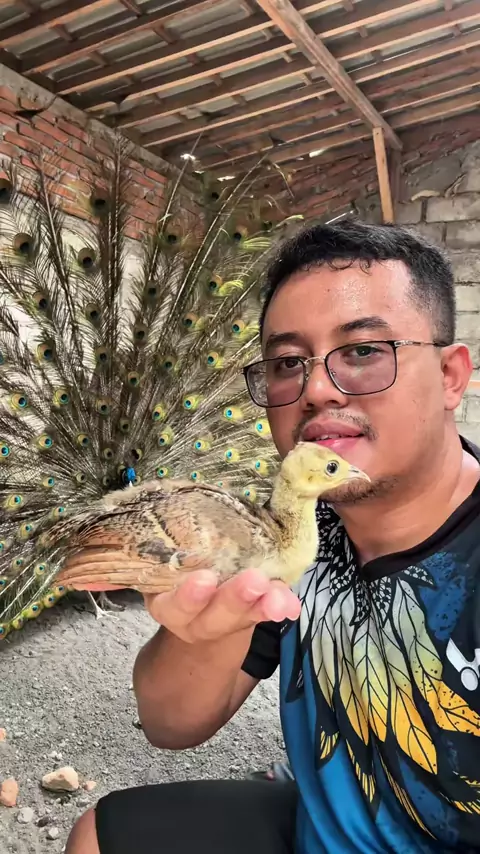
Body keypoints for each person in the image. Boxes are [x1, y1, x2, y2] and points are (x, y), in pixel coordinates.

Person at [66, 220, 480, 854]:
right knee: (101, 835)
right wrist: (207, 628)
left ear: (451, 375)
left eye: (363, 352)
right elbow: (169, 723)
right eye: (288, 363)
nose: (315, 389)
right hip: (320, 829)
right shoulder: (290, 538)